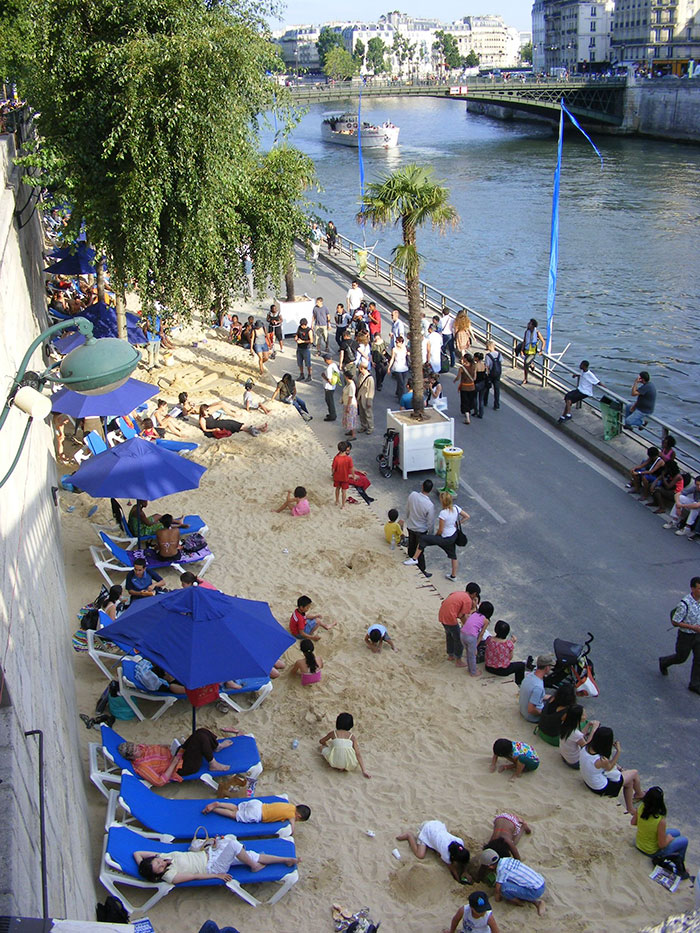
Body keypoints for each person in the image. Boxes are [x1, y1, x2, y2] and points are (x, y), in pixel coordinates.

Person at [134, 836, 299, 884]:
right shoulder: (169, 876)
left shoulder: (161, 857)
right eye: (159, 868)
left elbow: (138, 853)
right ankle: (254, 867)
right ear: (160, 874)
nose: (162, 864)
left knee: (244, 851)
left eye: (157, 863)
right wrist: (217, 875)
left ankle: (285, 860)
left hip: (210, 854)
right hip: (211, 867)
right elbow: (195, 877)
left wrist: (143, 866)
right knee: (234, 846)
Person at [118, 728, 237, 784]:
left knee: (201, 731)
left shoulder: (141, 748)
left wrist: (171, 747)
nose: (138, 748)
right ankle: (213, 764)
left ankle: (215, 746)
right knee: (200, 739)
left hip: (177, 754)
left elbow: (157, 748)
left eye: (135, 746)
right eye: (135, 750)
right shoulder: (142, 766)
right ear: (131, 757)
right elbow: (160, 781)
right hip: (181, 767)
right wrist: (174, 763)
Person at [404, 492, 469, 582]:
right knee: (453, 556)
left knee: (423, 539)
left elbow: (440, 530)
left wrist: (435, 537)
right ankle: (453, 576)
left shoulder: (443, 513)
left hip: (444, 537)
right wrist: (457, 523)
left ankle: (414, 558)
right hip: (453, 536)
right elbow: (466, 516)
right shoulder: (456, 508)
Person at [580, 725, 643, 812]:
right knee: (634, 773)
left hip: (588, 781)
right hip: (600, 787)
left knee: (629, 781)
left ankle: (632, 805)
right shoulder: (600, 760)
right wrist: (618, 752)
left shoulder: (586, 747)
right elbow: (609, 767)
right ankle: (639, 795)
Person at [659, 576, 700, 694]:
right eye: (699, 588)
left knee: (699, 659)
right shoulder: (685, 603)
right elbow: (675, 621)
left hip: (698, 635)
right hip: (686, 636)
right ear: (692, 588)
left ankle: (695, 684)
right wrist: (693, 627)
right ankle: (664, 662)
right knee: (681, 657)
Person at [396, 821, 472, 883]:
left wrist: (465, 872)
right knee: (420, 855)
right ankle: (409, 836)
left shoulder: (460, 842)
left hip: (437, 825)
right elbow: (452, 869)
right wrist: (458, 880)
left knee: (438, 849)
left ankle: (433, 844)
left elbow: (465, 859)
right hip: (426, 829)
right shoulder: (446, 854)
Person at [630, 786, 689, 866]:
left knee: (676, 832)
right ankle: (680, 864)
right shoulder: (660, 821)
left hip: (639, 843)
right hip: (651, 851)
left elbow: (633, 822)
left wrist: (645, 825)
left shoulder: (641, 807)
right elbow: (662, 845)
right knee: (684, 841)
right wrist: (669, 839)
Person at [481, 849, 546, 916]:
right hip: (541, 881)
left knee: (504, 888)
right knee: (509, 880)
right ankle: (525, 897)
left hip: (535, 891)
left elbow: (497, 889)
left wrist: (497, 900)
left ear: (490, 866)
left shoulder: (501, 869)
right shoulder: (507, 860)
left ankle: (525, 902)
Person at [201, 799, 311, 832]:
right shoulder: (292, 815)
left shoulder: (290, 805)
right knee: (234, 815)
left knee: (236, 807)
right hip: (258, 814)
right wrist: (292, 831)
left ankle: (219, 803)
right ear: (298, 816)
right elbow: (292, 826)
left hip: (258, 804)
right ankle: (215, 809)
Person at [319, 712, 370, 778]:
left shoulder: (333, 733)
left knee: (321, 748)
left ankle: (339, 765)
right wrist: (364, 770)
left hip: (335, 762)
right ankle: (344, 767)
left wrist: (326, 745)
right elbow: (358, 754)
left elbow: (321, 741)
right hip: (350, 764)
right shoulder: (352, 737)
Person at [438, 585, 479, 665]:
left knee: (449, 635)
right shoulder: (467, 600)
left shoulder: (457, 593)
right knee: (458, 639)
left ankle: (450, 655)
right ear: (474, 594)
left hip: (442, 615)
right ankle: (458, 660)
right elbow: (462, 616)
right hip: (450, 618)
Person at [404, 479, 436, 578]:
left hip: (411, 525)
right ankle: (422, 570)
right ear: (430, 490)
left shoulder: (413, 495)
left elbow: (407, 509)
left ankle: (410, 559)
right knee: (420, 551)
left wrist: (408, 518)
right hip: (421, 530)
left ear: (422, 486)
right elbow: (430, 522)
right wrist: (431, 534)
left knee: (411, 545)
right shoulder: (429, 505)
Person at [484, 620, 528, 686]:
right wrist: (512, 643)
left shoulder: (489, 639)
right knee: (521, 665)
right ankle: (519, 683)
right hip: (503, 670)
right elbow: (510, 658)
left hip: (488, 667)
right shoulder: (508, 644)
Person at [559, 705, 600, 769]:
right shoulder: (576, 734)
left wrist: (588, 725)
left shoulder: (565, 724)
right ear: (577, 718)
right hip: (575, 762)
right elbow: (587, 748)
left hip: (565, 756)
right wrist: (593, 730)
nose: (585, 715)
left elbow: (579, 736)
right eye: (583, 714)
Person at [460, 601, 494, 677]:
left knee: (469, 653)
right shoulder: (486, 620)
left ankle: (470, 668)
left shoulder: (474, 613)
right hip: (471, 637)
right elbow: (481, 634)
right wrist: (476, 645)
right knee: (472, 655)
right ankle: (473, 672)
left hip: (462, 634)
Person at [518, 654, 553, 722]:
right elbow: (531, 710)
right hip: (531, 717)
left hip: (523, 709)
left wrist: (552, 697)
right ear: (547, 668)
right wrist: (545, 714)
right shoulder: (538, 687)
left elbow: (535, 695)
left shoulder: (530, 676)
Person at [198, 404, 266, 438]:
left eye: (208, 410)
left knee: (234, 423)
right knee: (235, 426)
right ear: (203, 411)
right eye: (206, 410)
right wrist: (214, 429)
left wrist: (218, 418)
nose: (208, 411)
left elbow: (212, 421)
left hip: (219, 423)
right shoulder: (202, 419)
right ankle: (257, 428)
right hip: (217, 426)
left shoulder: (209, 414)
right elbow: (205, 429)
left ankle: (256, 428)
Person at [519, 319, 544, 386]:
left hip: (533, 352)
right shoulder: (526, 332)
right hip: (526, 351)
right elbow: (524, 341)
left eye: (529, 324)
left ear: (533, 325)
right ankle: (526, 378)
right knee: (525, 365)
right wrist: (521, 350)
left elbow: (543, 342)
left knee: (526, 362)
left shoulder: (537, 333)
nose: (528, 324)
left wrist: (541, 350)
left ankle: (531, 365)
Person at [455, 352, 476, 425]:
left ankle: (467, 417)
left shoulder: (462, 368)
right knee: (470, 400)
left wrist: (455, 380)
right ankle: (468, 412)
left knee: (465, 402)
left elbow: (458, 377)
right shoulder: (474, 366)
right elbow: (475, 377)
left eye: (463, 358)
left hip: (464, 387)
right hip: (472, 387)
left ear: (466, 359)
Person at [332, 440, 354, 509]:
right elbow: (351, 468)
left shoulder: (336, 458)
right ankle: (343, 505)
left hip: (337, 477)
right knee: (344, 491)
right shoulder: (349, 459)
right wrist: (353, 475)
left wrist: (333, 474)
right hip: (345, 477)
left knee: (337, 489)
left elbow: (333, 468)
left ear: (338, 449)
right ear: (346, 449)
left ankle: (337, 501)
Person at [387, 334, 409, 401]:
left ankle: (397, 392)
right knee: (401, 383)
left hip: (404, 367)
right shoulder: (394, 349)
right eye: (396, 342)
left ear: (401, 342)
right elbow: (392, 358)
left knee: (402, 382)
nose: (396, 343)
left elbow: (407, 354)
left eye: (397, 342)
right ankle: (401, 398)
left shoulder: (405, 348)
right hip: (397, 367)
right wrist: (389, 367)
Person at [356, 360, 375, 435]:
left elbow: (371, 391)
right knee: (361, 413)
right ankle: (363, 426)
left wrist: (369, 401)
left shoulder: (370, 379)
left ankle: (370, 427)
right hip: (360, 397)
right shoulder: (360, 375)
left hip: (366, 398)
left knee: (368, 414)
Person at [322, 353, 341, 422]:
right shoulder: (334, 365)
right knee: (330, 400)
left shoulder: (329, 368)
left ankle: (332, 415)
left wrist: (324, 376)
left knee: (329, 401)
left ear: (326, 360)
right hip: (333, 387)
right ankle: (331, 414)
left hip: (328, 387)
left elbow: (330, 381)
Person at [484, 341, 502, 410]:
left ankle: (485, 401)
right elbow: (500, 362)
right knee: (497, 389)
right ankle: (496, 405)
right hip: (497, 373)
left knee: (487, 387)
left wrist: (487, 374)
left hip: (491, 374)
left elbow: (487, 366)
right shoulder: (499, 354)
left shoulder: (488, 356)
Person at [295, 318, 313, 382]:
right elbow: (297, 334)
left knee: (308, 363)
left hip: (306, 348)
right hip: (299, 348)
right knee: (300, 362)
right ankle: (301, 374)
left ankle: (309, 375)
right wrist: (296, 338)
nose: (302, 326)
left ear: (306, 325)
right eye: (301, 325)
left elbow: (311, 340)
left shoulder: (309, 330)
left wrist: (303, 341)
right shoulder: (299, 328)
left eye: (303, 325)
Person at [342, 369, 358, 439]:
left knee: (351, 419)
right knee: (348, 419)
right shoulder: (349, 384)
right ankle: (351, 431)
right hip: (347, 403)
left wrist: (348, 406)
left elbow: (350, 397)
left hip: (351, 405)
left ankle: (353, 435)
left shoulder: (351, 385)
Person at [473, 352, 488, 419]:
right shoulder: (484, 365)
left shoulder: (476, 366)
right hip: (483, 383)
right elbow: (487, 373)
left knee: (474, 397)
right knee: (481, 399)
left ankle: (476, 411)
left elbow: (475, 376)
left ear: (476, 358)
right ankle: (481, 413)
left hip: (477, 383)